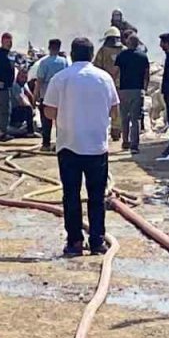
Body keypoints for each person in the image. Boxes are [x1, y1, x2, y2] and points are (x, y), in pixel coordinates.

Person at [44, 37, 119, 256]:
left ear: (72, 54)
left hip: (69, 145)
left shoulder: (61, 78)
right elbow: (114, 110)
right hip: (97, 147)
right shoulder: (104, 78)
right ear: (92, 55)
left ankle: (75, 242)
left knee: (71, 195)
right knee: (97, 197)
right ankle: (97, 241)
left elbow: (49, 112)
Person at [114, 34, 150, 153]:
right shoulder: (143, 56)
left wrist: (114, 86)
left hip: (124, 90)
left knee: (124, 118)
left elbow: (116, 72)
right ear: (137, 44)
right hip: (137, 91)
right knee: (135, 119)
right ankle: (134, 145)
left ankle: (125, 142)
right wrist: (145, 88)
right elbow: (146, 74)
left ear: (128, 43)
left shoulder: (122, 55)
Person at [33, 38, 71, 151]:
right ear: (59, 48)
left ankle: (46, 144)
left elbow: (39, 81)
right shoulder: (64, 62)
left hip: (46, 95)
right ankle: (60, 143)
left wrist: (35, 95)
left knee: (46, 120)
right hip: (61, 96)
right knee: (61, 120)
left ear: (49, 48)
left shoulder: (44, 62)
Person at [93, 27, 124, 142]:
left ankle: (103, 130)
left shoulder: (102, 51)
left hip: (105, 84)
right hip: (121, 84)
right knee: (118, 108)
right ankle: (116, 130)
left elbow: (96, 67)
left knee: (103, 108)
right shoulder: (124, 51)